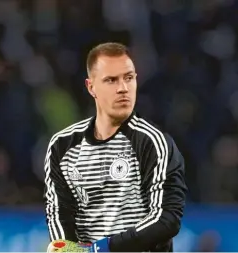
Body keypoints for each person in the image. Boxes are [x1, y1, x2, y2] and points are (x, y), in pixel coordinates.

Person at [44, 42, 187, 252]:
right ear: (91, 87)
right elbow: (58, 211)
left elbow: (165, 219)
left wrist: (103, 248)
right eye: (111, 80)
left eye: (129, 78)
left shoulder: (153, 143)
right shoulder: (62, 146)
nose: (123, 88)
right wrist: (68, 248)